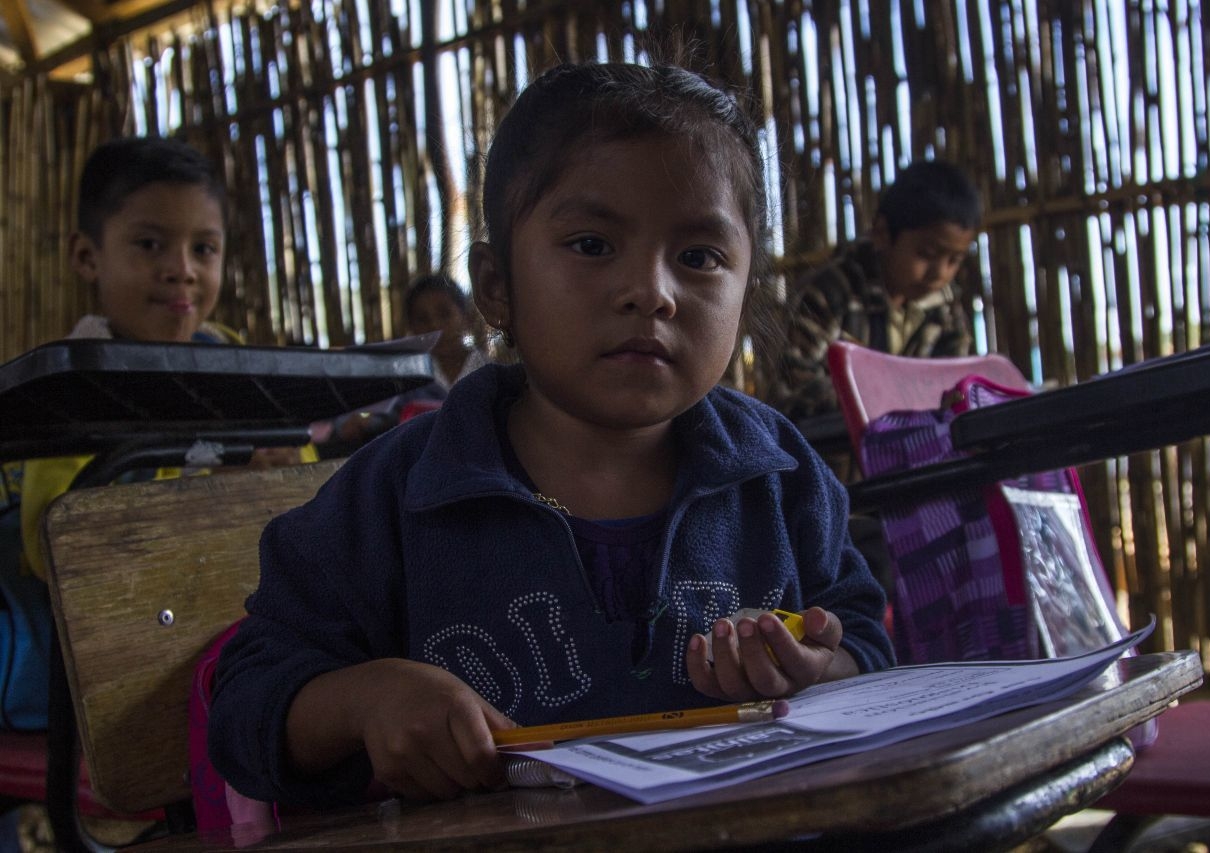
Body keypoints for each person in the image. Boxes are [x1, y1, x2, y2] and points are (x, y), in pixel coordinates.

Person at [208, 61, 893, 809]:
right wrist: (364, 699)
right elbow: (243, 703)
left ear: (746, 287)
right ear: (498, 286)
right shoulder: (400, 493)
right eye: (593, 244)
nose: (653, 293)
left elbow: (863, 635)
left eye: (699, 257)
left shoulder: (781, 474)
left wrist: (817, 668)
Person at [17, 136, 314, 582]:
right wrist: (213, 496)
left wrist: (280, 470)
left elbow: (307, 469)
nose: (182, 269)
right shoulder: (70, 385)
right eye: (150, 244)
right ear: (86, 256)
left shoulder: (238, 363)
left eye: (203, 249)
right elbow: (51, 547)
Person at [763, 159, 982, 421]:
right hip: (832, 456)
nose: (940, 273)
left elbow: (956, 380)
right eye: (927, 254)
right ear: (882, 234)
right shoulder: (829, 295)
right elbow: (791, 390)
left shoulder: (944, 309)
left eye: (954, 260)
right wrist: (888, 394)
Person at [324, 273, 490, 447]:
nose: (434, 326)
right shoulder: (406, 380)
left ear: (467, 318)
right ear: (411, 328)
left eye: (444, 314)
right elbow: (369, 415)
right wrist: (363, 421)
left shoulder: (490, 374)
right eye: (422, 319)